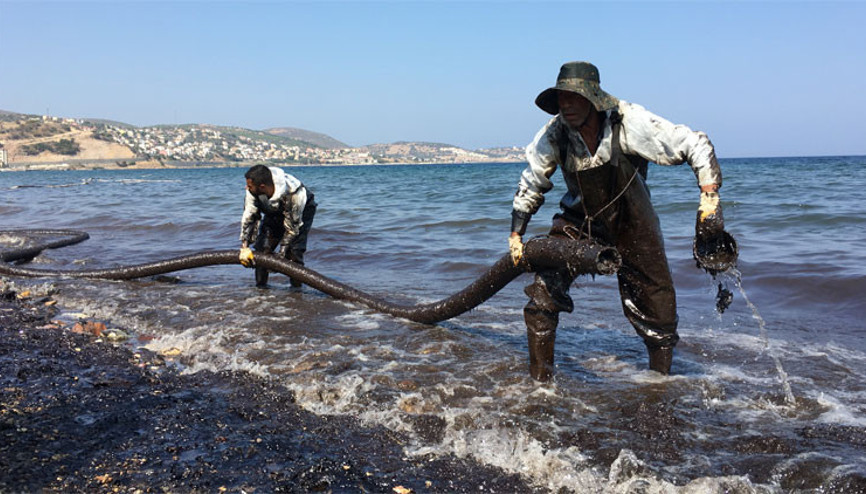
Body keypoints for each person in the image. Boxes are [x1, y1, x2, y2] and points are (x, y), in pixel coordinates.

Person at [508, 61, 728, 381]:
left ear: (593, 99)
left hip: (633, 223)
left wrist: (709, 199)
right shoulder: (555, 134)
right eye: (561, 99)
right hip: (578, 223)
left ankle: (659, 387)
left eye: (574, 97)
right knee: (541, 299)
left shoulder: (627, 122)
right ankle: (541, 387)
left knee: (657, 315)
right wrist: (517, 234)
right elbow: (532, 181)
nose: (565, 106)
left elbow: (694, 143)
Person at [239, 164, 317, 288]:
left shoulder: (294, 193)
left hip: (301, 212)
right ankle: (261, 289)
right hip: (273, 210)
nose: (246, 188)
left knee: (294, 253)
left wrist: (281, 255)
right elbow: (249, 217)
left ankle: (296, 292)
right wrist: (244, 246)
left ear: (262, 187)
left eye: (249, 186)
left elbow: (292, 228)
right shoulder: (252, 191)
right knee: (261, 250)